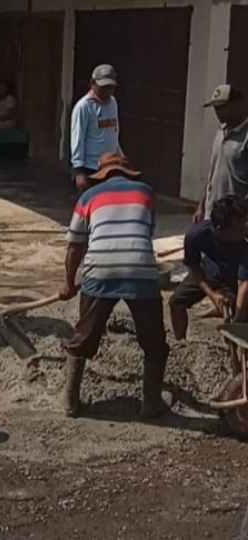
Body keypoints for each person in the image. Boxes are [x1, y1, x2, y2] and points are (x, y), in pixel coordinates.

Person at [60, 153, 169, 419]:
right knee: (154, 341)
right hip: (140, 270)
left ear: (102, 175)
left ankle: (70, 402)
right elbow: (146, 231)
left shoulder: (88, 197)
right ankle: (151, 403)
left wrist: (68, 283)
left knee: (83, 337)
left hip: (100, 269)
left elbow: (75, 246)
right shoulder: (146, 192)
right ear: (127, 172)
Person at [170, 196, 248, 340]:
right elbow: (193, 266)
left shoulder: (245, 240)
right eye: (239, 227)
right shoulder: (196, 235)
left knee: (241, 315)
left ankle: (238, 347)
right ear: (220, 229)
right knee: (176, 301)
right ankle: (181, 342)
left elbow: (244, 283)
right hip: (207, 271)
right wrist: (212, 295)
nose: (245, 228)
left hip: (234, 275)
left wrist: (237, 320)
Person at [194, 85, 248, 222]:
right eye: (215, 108)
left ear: (237, 104)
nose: (218, 112)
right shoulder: (220, 132)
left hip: (234, 220)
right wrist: (201, 206)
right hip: (211, 214)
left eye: (222, 107)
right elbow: (212, 174)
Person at [70, 64, 122, 192]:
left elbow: (113, 133)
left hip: (111, 166)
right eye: (104, 87)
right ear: (92, 83)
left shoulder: (113, 103)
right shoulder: (84, 107)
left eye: (110, 87)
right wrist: (79, 171)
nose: (107, 91)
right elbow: (77, 139)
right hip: (91, 168)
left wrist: (120, 157)